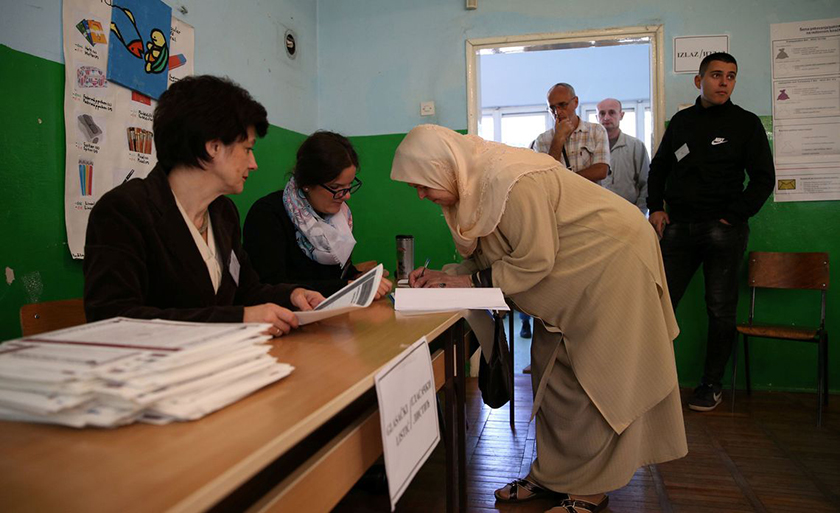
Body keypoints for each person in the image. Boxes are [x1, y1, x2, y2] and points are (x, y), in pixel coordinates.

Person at [393, 125, 687, 513]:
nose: (422, 195)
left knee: (594, 380)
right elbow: (495, 252)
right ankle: (553, 476)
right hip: (571, 273)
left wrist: (466, 279)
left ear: (444, 168)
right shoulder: (476, 186)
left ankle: (590, 490)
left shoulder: (510, 180)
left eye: (423, 184)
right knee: (552, 375)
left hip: (611, 264)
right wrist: (447, 275)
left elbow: (534, 258)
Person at [84, 75, 324, 337]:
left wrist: (292, 295)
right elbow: (112, 319)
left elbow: (247, 291)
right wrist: (239, 318)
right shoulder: (124, 211)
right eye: (247, 149)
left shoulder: (223, 214)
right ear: (213, 146)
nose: (253, 163)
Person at [647, 52, 775, 412]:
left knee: (720, 310)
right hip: (678, 230)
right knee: (659, 306)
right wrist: (656, 207)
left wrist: (734, 216)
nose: (724, 82)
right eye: (717, 75)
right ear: (698, 80)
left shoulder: (746, 124)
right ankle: (651, 382)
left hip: (724, 232)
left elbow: (764, 179)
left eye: (731, 76)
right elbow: (658, 169)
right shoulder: (682, 122)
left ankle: (710, 384)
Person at [243, 131, 392, 298]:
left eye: (349, 186)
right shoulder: (268, 215)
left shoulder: (339, 217)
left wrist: (358, 277)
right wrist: (345, 287)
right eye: (336, 188)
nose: (346, 196)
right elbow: (272, 286)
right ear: (307, 183)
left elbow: (337, 273)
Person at [522, 82, 611, 341]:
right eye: (552, 108)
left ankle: (591, 342)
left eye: (562, 105)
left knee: (591, 287)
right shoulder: (543, 140)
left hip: (592, 216)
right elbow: (544, 178)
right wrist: (559, 139)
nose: (558, 112)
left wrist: (567, 179)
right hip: (558, 220)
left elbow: (601, 170)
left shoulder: (596, 132)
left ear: (575, 102)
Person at [596, 98, 650, 214]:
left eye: (612, 112)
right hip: (598, 215)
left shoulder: (636, 146)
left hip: (629, 215)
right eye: (602, 113)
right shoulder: (590, 147)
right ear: (597, 117)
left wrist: (639, 213)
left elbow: (646, 183)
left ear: (621, 115)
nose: (606, 117)